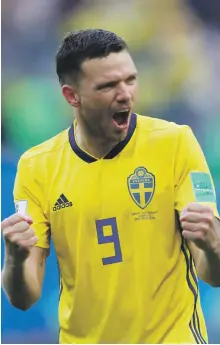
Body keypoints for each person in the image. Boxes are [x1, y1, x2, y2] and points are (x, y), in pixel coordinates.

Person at [1, 29, 220, 344]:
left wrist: (212, 245)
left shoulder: (175, 143)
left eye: (130, 80)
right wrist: (15, 258)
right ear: (71, 96)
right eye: (107, 86)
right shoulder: (37, 167)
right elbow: (24, 297)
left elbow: (213, 273)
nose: (125, 95)